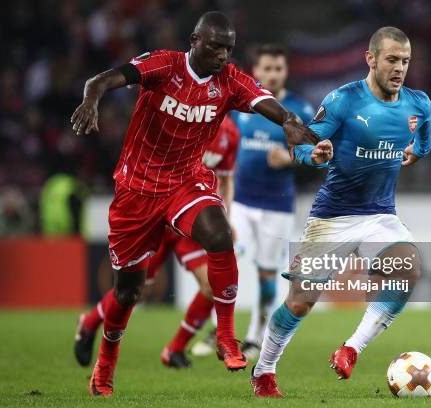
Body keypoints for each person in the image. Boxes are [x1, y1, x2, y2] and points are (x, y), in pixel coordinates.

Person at [70, 11, 317, 397]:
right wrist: (91, 100)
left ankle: (227, 336)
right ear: (195, 40)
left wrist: (287, 120)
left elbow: (261, 98)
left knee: (220, 236)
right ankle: (105, 364)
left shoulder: (229, 80)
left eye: (228, 49)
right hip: (137, 189)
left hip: (187, 180)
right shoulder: (164, 65)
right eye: (216, 46)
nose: (222, 55)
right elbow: (101, 80)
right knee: (128, 293)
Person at [250, 26, 431, 397]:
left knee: (406, 268)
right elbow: (303, 142)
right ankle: (264, 369)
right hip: (332, 218)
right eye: (392, 60)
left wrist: (416, 151)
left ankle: (350, 349)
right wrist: (313, 154)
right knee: (301, 302)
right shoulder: (343, 100)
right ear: (371, 59)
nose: (400, 68)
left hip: (381, 216)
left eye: (406, 61)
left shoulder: (419, 103)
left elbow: (424, 142)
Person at [74, 115, 240, 369]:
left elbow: (227, 179)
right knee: (134, 291)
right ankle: (89, 323)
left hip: (191, 213)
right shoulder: (180, 113)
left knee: (210, 285)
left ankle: (175, 348)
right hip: (155, 212)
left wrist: (227, 216)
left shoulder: (231, 134)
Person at [229, 44, 315, 358]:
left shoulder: (301, 111)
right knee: (224, 258)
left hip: (277, 206)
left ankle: (255, 335)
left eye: (279, 68)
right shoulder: (241, 106)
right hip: (240, 202)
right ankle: (220, 332)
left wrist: (291, 159)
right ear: (256, 72)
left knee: (267, 275)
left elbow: (317, 157)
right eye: (267, 68)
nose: (273, 74)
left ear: (286, 71)